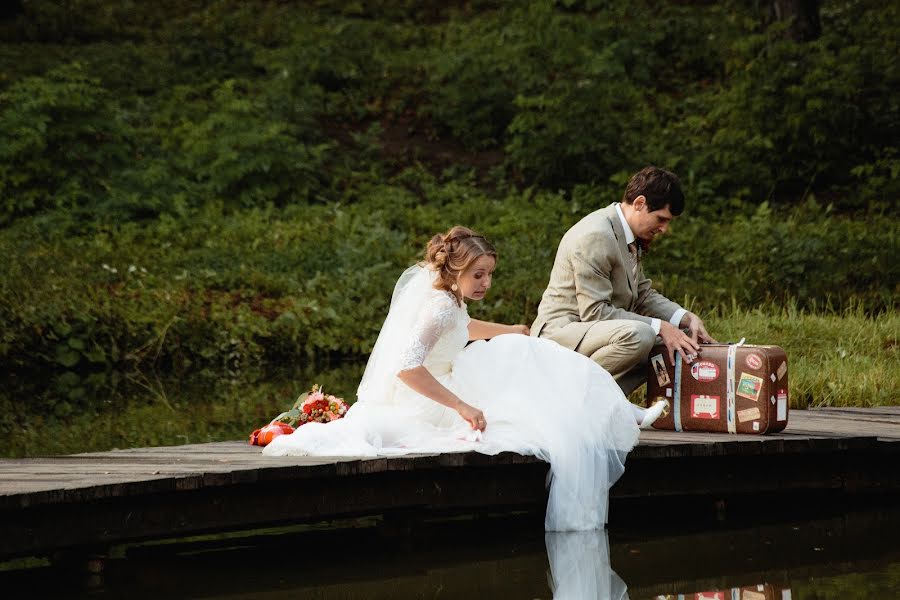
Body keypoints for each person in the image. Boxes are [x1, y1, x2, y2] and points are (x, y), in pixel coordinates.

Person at [264, 227, 669, 531]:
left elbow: (465, 328)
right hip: (432, 400)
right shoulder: (438, 307)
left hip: (453, 377)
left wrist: (508, 329)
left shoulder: (448, 298)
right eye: (478, 275)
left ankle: (618, 407)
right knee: (524, 366)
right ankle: (620, 409)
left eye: (490, 274)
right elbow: (407, 367)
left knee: (521, 348)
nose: (486, 283)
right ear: (455, 271)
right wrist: (460, 406)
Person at [531, 166, 716, 397]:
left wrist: (684, 318)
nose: (665, 229)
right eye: (661, 219)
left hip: (595, 332)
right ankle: (564, 395)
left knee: (668, 343)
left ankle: (603, 404)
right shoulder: (596, 235)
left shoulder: (626, 233)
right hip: (561, 335)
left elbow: (642, 293)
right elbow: (595, 312)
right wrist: (661, 327)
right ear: (639, 203)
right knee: (642, 335)